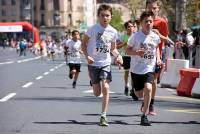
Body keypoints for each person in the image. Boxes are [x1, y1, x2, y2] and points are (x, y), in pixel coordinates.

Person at [82, 4, 123, 126]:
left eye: (107, 15)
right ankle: (93, 82)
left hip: (105, 63)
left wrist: (118, 56)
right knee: (96, 92)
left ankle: (103, 116)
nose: (105, 18)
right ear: (98, 17)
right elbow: (83, 44)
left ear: (111, 17)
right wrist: (87, 56)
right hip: (93, 63)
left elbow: (113, 49)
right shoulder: (92, 29)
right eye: (103, 15)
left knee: (106, 87)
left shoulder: (113, 32)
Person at [126, 11, 161, 126]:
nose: (149, 23)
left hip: (149, 67)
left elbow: (156, 48)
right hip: (136, 70)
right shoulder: (135, 37)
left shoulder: (155, 37)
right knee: (139, 94)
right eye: (146, 21)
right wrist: (136, 52)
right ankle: (134, 91)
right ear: (141, 23)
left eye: (151, 21)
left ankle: (144, 116)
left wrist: (159, 59)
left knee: (149, 88)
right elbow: (127, 50)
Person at [145, 0, 169, 115]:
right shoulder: (143, 20)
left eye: (154, 8)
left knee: (153, 81)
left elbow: (166, 39)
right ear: (146, 9)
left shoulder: (162, 22)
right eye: (150, 8)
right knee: (143, 81)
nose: (152, 10)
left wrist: (159, 35)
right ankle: (143, 97)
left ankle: (150, 104)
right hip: (142, 56)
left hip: (156, 55)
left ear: (158, 8)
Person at [117, 20, 139, 100]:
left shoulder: (137, 36)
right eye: (128, 27)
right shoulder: (123, 36)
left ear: (134, 28)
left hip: (135, 57)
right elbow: (117, 46)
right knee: (127, 72)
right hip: (126, 56)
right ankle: (126, 85)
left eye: (132, 26)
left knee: (134, 73)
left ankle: (133, 89)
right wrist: (124, 43)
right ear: (126, 28)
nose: (130, 28)